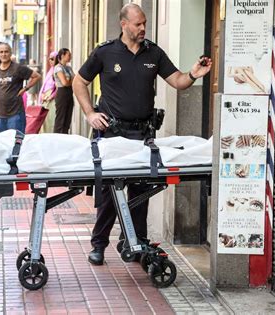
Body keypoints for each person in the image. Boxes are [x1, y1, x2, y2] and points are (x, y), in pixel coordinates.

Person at [73, 3, 212, 265]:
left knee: (140, 190)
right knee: (110, 193)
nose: (143, 28)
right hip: (112, 134)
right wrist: (90, 113)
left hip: (142, 135)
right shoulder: (105, 53)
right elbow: (79, 81)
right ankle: (99, 244)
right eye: (138, 23)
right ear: (123, 24)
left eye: (144, 22)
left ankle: (135, 242)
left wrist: (194, 73)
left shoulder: (154, 53)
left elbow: (178, 81)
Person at [0, 42, 41, 133]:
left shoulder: (18, 68)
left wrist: (25, 88)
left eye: (6, 52)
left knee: (16, 144)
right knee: (4, 144)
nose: (4, 54)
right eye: (1, 52)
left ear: (10, 53)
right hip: (1, 116)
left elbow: (37, 76)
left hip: (16, 115)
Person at [53, 48, 75, 134]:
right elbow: (64, 83)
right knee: (60, 119)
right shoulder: (58, 68)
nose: (70, 57)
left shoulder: (68, 68)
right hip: (62, 94)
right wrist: (71, 81)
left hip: (69, 93)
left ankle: (65, 137)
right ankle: (57, 139)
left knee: (67, 119)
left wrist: (71, 81)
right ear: (62, 56)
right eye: (69, 55)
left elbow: (75, 79)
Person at [39, 51, 58, 133]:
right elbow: (45, 85)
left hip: (51, 99)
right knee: (45, 121)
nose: (50, 60)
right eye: (49, 59)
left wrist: (51, 96)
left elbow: (58, 87)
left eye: (52, 59)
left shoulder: (58, 70)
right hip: (45, 98)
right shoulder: (51, 70)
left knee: (51, 120)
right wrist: (42, 94)